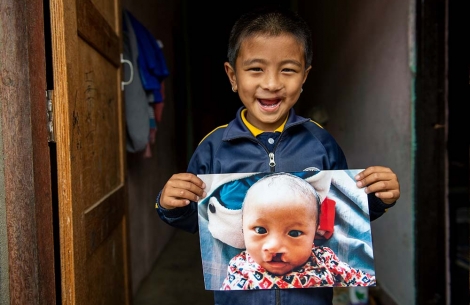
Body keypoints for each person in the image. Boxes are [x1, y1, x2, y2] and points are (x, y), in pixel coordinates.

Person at [156, 5, 400, 305]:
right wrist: (171, 205)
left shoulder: (321, 143)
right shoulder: (213, 147)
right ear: (232, 76)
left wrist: (376, 198)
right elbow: (200, 223)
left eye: (287, 69)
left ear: (305, 76)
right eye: (256, 69)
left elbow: (342, 218)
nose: (271, 83)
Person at [221, 172, 376, 290]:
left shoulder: (324, 259)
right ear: (242, 228)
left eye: (294, 233)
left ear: (315, 232)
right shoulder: (240, 267)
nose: (274, 247)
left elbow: (360, 281)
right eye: (260, 230)